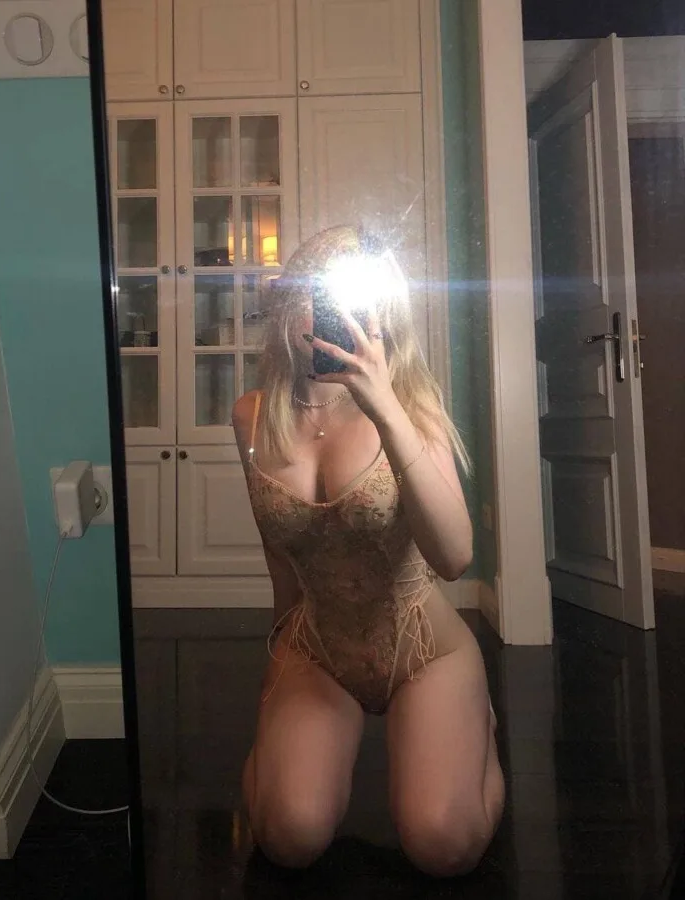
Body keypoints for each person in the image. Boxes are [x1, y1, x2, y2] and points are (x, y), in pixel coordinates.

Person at [232, 225, 504, 877]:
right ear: (286, 301)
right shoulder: (251, 416)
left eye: (347, 296)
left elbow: (455, 559)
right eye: (314, 292)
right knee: (289, 837)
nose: (326, 313)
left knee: (442, 844)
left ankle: (477, 730)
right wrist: (277, 662)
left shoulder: (411, 409)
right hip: (318, 646)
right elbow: (279, 555)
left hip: (425, 651)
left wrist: (385, 409)